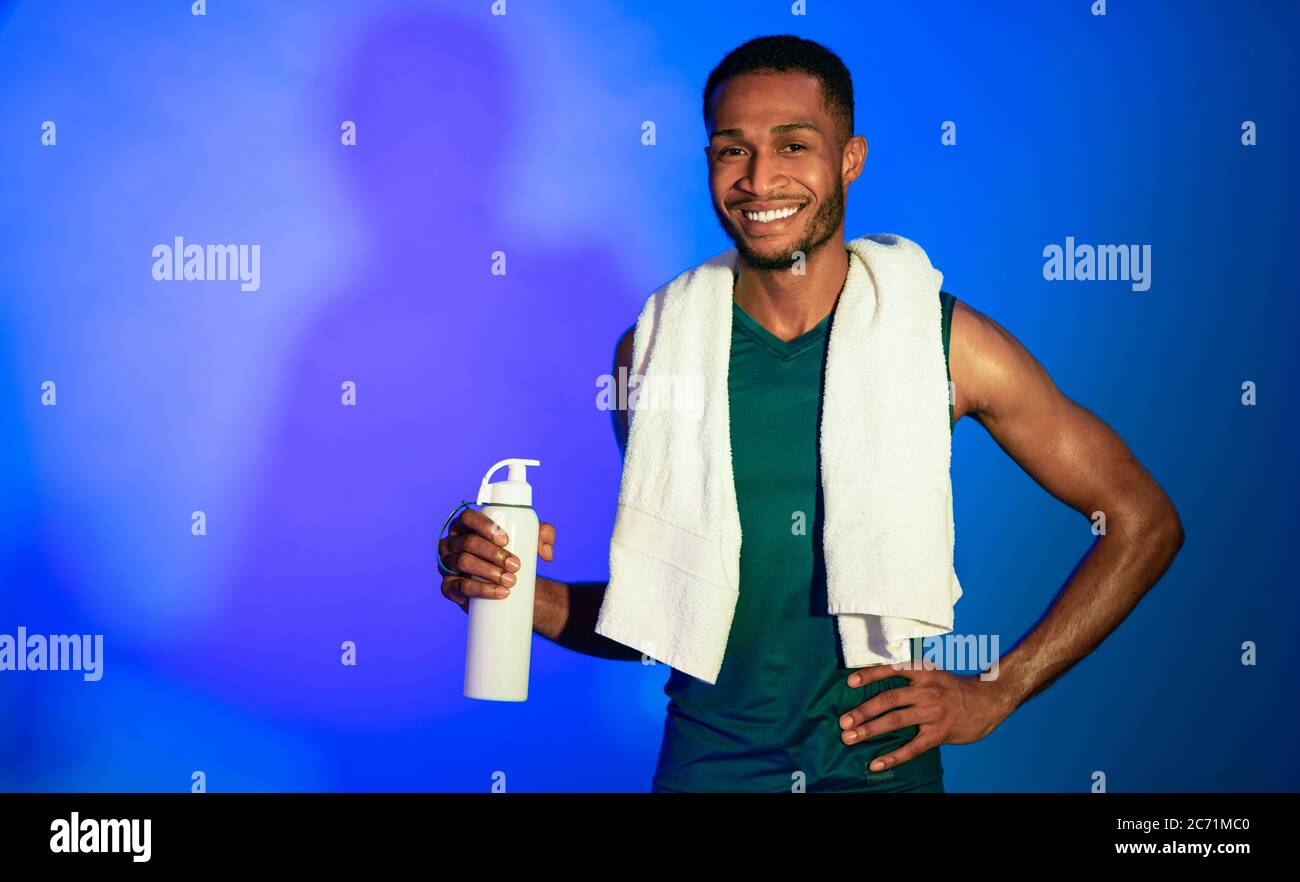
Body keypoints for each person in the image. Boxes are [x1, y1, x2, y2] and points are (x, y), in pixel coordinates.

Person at [438, 34, 1184, 792]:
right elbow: (674, 614)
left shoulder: (944, 342)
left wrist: (996, 690)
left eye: (793, 144)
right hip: (708, 771)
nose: (760, 178)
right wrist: (526, 597)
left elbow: (1142, 520)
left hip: (882, 774)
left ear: (849, 159)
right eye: (732, 150)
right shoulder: (655, 357)